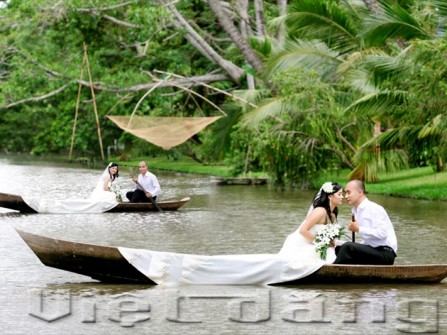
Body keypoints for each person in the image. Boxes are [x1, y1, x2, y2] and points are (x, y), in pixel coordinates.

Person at [118, 181, 344, 285]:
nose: (342, 196)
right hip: (303, 244)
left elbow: (328, 235)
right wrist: (320, 243)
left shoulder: (332, 214)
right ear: (330, 195)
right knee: (287, 265)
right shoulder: (320, 211)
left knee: (334, 255)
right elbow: (305, 230)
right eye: (340, 193)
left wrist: (331, 241)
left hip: (315, 245)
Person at [333, 179, 397, 265]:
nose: (346, 196)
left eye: (349, 192)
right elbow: (369, 242)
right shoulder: (357, 211)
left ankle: (331, 273)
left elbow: (382, 233)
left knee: (347, 247)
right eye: (345, 193)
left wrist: (359, 229)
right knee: (338, 247)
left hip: (385, 253)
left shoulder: (373, 208)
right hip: (374, 250)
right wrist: (336, 242)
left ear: (360, 192)